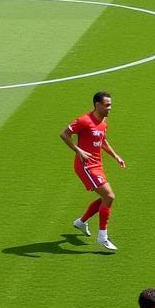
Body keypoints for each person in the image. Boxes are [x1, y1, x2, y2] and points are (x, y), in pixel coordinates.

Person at [61, 90, 125, 251]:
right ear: (97, 105)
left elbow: (102, 141)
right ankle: (102, 237)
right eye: (107, 105)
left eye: (110, 105)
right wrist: (78, 151)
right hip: (86, 165)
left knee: (106, 197)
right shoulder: (84, 120)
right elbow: (64, 134)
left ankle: (81, 222)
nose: (110, 108)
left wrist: (116, 156)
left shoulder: (103, 122)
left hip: (97, 165)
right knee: (109, 196)